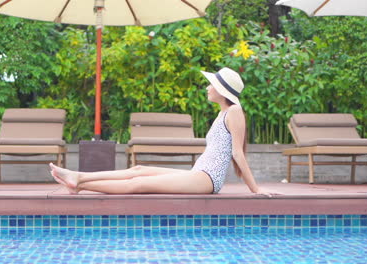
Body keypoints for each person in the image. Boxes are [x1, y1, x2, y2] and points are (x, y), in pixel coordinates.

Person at [50, 67, 279, 197]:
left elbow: (238, 153)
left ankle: (79, 184)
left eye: (211, 84)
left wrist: (256, 189)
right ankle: (79, 176)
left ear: (222, 90)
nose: (208, 87)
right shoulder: (222, 113)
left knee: (139, 184)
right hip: (199, 172)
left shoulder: (235, 111)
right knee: (138, 169)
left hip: (207, 180)